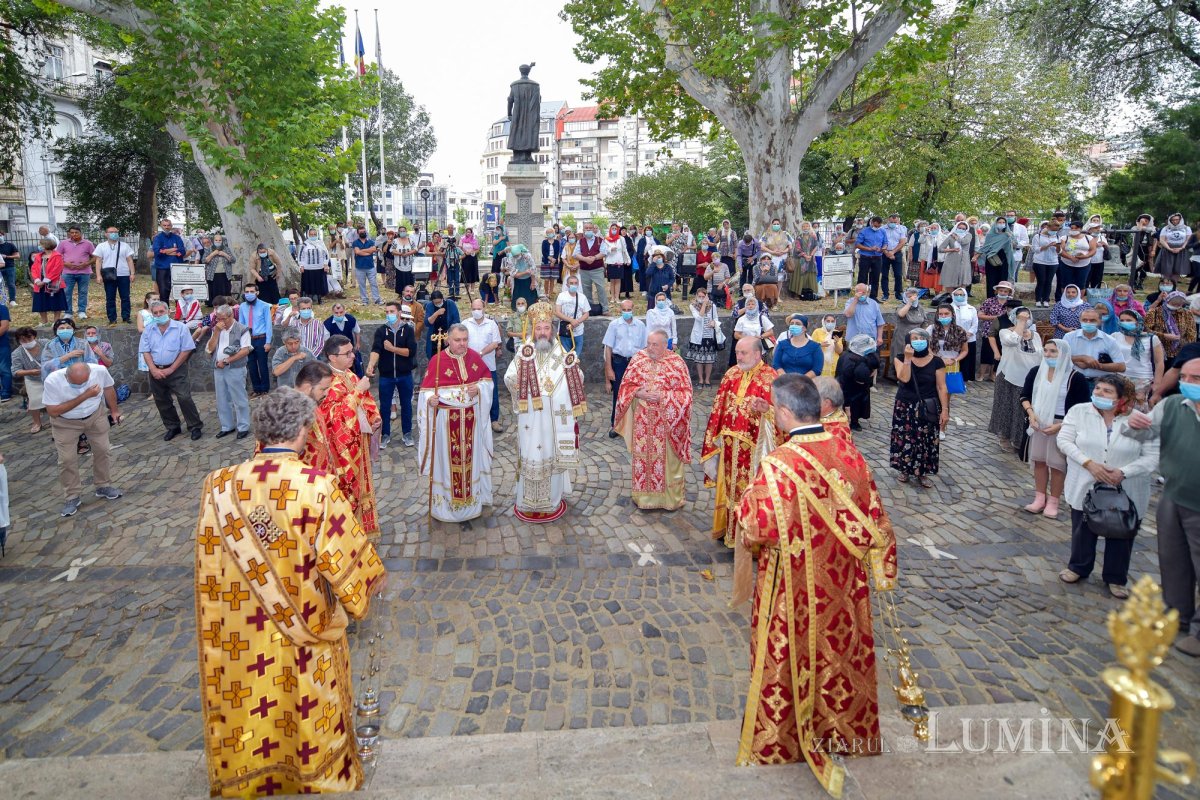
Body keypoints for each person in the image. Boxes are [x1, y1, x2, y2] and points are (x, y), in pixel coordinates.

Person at [194, 387, 385, 797]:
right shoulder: (317, 487)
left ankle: (248, 777)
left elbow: (210, 561)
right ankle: (317, 775)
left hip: (239, 631)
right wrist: (367, 588)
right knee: (303, 704)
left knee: (253, 706)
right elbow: (349, 563)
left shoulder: (218, 486)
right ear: (303, 431)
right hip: (307, 628)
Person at [734, 373, 896, 794]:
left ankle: (785, 738)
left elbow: (756, 527)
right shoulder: (847, 450)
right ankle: (846, 731)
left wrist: (742, 505)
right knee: (841, 656)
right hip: (844, 584)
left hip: (795, 587)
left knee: (794, 655)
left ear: (785, 413)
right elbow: (875, 517)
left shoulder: (779, 465)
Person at [1056, 376, 1158, 599]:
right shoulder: (1080, 412)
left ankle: (1115, 577)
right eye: (1098, 389)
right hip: (1085, 481)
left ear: (1123, 398)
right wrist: (1088, 463)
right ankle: (1078, 567)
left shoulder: (1138, 421)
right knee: (1082, 527)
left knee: (1121, 532)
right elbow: (1064, 441)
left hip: (1127, 488)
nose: (1099, 393)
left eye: (1107, 391)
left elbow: (1151, 458)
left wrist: (1123, 472)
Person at [1125, 355, 1200, 656]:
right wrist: (1133, 424)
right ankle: (1176, 615)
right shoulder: (1173, 406)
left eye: (1196, 379)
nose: (1188, 384)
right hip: (1174, 496)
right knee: (1174, 560)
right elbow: (1140, 435)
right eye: (1185, 377)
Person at [504, 314, 588, 521]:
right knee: (529, 454)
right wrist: (519, 385)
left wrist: (575, 374)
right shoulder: (525, 352)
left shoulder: (561, 352)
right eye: (538, 328)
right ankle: (526, 502)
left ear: (552, 330)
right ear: (533, 330)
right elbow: (508, 376)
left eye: (546, 328)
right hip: (529, 418)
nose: (542, 332)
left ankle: (552, 501)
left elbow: (578, 376)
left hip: (552, 420)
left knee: (550, 454)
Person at [701, 337, 780, 546]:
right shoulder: (731, 374)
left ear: (757, 353)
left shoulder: (770, 378)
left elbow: (782, 417)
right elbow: (719, 407)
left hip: (754, 450)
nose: (739, 357)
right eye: (737, 352)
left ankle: (750, 539)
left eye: (743, 353)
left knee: (750, 492)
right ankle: (729, 532)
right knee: (729, 489)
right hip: (729, 446)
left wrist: (767, 410)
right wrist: (713, 437)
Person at [418, 324, 495, 522]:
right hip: (447, 423)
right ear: (448, 340)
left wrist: (478, 389)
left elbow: (488, 382)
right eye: (457, 340)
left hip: (471, 421)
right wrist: (430, 401)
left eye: (465, 340)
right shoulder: (437, 360)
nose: (462, 344)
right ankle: (447, 506)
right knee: (446, 462)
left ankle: (471, 503)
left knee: (472, 460)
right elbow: (425, 393)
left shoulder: (475, 358)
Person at [613, 330, 694, 510]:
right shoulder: (638, 359)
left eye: (655, 344)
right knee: (643, 459)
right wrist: (637, 393)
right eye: (648, 343)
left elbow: (686, 395)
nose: (650, 348)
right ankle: (643, 498)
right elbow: (625, 387)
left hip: (666, 425)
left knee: (666, 462)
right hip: (643, 422)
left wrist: (663, 397)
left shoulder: (677, 363)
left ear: (666, 345)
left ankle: (669, 499)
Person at [316, 335, 382, 535]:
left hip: (358, 442)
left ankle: (364, 526)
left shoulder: (351, 375)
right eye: (347, 353)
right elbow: (332, 417)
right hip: (340, 450)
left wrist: (374, 417)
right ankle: (348, 532)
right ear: (332, 357)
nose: (353, 356)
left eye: (352, 351)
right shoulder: (326, 382)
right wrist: (357, 393)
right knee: (347, 488)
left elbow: (366, 400)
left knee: (362, 484)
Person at [1020, 339, 1091, 518]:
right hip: (1039, 421)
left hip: (1062, 423)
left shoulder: (1075, 378)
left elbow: (1081, 408)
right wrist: (1031, 413)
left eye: (1053, 352)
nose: (1048, 355)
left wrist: (1061, 426)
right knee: (1040, 461)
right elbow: (1025, 396)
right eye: (1046, 351)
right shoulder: (1037, 372)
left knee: (1057, 464)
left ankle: (1054, 500)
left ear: (1063, 354)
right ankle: (1039, 496)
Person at [43, 361, 123, 517]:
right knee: (67, 459)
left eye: (83, 383)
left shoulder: (99, 371)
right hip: (65, 422)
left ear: (89, 374)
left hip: (95, 415)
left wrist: (114, 411)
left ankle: (103, 485)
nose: (79, 386)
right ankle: (72, 496)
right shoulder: (52, 380)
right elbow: (52, 411)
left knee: (103, 449)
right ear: (66, 376)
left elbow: (108, 388)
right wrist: (85, 395)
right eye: (75, 384)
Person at [890, 328, 948, 487]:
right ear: (908, 341)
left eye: (922, 338)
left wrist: (945, 410)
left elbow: (942, 387)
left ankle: (922, 472)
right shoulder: (900, 358)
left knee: (925, 440)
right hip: (905, 406)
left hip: (927, 406)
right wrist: (908, 359)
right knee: (905, 437)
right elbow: (904, 378)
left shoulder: (937, 361)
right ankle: (904, 469)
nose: (918, 340)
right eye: (914, 338)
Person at [140, 299, 203, 441]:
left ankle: (195, 426)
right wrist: (153, 369)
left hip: (177, 369)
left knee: (184, 397)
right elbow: (145, 351)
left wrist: (172, 368)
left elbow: (186, 350)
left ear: (168, 311)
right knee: (161, 400)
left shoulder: (180, 327)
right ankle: (172, 426)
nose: (159, 314)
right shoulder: (149, 329)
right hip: (156, 369)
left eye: (161, 311)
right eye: (155, 313)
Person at [989, 306, 1042, 453]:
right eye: (1022, 318)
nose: (1025, 320)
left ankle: (1020, 439)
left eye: (1027, 317)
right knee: (1006, 408)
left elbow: (1040, 354)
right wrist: (1020, 324)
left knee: (1023, 410)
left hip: (1028, 377)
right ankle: (1004, 436)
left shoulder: (1035, 335)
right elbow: (1013, 341)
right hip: (1009, 376)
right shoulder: (1005, 332)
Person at [366, 301, 418, 449]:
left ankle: (407, 433)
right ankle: (385, 434)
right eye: (387, 312)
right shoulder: (381, 331)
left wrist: (392, 348)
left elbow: (410, 352)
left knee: (406, 406)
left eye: (392, 311)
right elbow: (376, 349)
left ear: (399, 313)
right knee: (385, 407)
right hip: (386, 376)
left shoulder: (407, 330)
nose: (389, 314)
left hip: (404, 375)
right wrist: (371, 364)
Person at [602, 299, 648, 437]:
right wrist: (609, 369)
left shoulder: (640, 325)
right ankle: (616, 425)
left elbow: (645, 347)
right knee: (619, 393)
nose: (627, 312)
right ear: (620, 310)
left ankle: (635, 425)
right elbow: (608, 348)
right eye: (624, 310)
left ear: (633, 309)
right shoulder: (614, 325)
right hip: (619, 362)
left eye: (629, 310)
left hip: (635, 363)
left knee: (636, 393)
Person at [466, 298, 505, 432]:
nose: (476, 311)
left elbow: (495, 343)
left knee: (491, 391)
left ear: (484, 308)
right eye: (474, 309)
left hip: (488, 365)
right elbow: (461, 341)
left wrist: (481, 353)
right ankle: (473, 418)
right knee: (470, 391)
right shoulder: (465, 323)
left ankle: (494, 420)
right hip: (469, 366)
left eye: (479, 308)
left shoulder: (491, 324)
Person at [1063, 307, 1127, 388]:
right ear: (1080, 320)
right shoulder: (1069, 337)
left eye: (1092, 320)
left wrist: (1094, 365)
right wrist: (1082, 358)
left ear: (1100, 321)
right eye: (1085, 320)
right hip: (1074, 382)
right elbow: (1060, 358)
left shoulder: (1109, 340)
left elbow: (1121, 367)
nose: (1088, 323)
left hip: (1100, 383)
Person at [1114, 310, 1163, 408]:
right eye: (1122, 320)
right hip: (1120, 376)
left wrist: (1157, 383)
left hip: (1143, 378)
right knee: (1120, 406)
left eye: (1129, 320)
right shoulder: (1115, 336)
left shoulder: (1151, 338)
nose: (1125, 323)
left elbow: (1159, 362)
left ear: (1138, 321)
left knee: (1139, 406)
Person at [236, 283, 274, 397]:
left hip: (261, 339)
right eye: (247, 292)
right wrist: (242, 341)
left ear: (257, 293)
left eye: (252, 292)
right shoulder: (242, 306)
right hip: (248, 339)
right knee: (251, 366)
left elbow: (268, 325)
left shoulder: (264, 306)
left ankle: (264, 389)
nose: (249, 294)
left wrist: (268, 342)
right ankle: (256, 389)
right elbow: (241, 324)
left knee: (262, 365)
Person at [836, 333, 879, 432]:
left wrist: (874, 370)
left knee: (858, 402)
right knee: (850, 402)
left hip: (857, 388)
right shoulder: (850, 360)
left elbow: (874, 362)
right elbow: (844, 383)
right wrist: (847, 407)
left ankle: (854, 421)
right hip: (847, 385)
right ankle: (848, 420)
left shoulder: (862, 356)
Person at [883, 287, 928, 381]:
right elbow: (901, 314)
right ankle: (899, 375)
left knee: (917, 355)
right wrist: (909, 303)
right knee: (901, 355)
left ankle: (915, 376)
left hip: (917, 337)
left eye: (914, 296)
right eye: (909, 296)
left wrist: (923, 334)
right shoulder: (901, 306)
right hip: (902, 336)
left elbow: (925, 321)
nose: (912, 298)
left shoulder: (920, 308)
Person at [94, 226, 135, 324]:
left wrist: (132, 273)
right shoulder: (101, 246)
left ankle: (126, 317)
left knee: (125, 297)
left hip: (123, 274)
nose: (114, 233)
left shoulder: (125, 245)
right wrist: (98, 275)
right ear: (106, 234)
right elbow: (98, 261)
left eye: (116, 232)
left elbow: (129, 260)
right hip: (109, 275)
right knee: (110, 297)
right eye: (111, 232)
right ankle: (112, 318)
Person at [55, 225, 96, 319]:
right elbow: (57, 257)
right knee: (67, 292)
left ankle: (82, 311)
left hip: (84, 272)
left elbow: (95, 257)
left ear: (81, 233)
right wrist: (65, 263)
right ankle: (68, 312)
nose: (74, 234)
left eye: (76, 232)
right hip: (67, 272)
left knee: (83, 292)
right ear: (69, 233)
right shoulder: (63, 243)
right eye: (72, 232)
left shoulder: (88, 243)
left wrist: (86, 263)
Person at [1145, 290, 1196, 364]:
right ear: (1167, 300)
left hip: (1179, 353)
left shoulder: (1187, 314)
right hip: (1158, 350)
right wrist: (1163, 335)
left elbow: (1192, 333)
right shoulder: (1155, 312)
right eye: (1173, 304)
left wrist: (1184, 345)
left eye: (1178, 305)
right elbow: (1146, 330)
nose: (1175, 307)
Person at [976, 281, 1013, 382]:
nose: (1003, 292)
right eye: (1001, 290)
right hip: (989, 331)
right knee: (986, 353)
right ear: (997, 291)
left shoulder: (1011, 303)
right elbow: (980, 315)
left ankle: (993, 374)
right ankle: (981, 374)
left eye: (1006, 291)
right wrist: (995, 317)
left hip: (1005, 332)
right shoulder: (989, 301)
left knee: (999, 354)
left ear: (1009, 292)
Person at [12, 328, 48, 432]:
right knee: (34, 401)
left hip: (49, 376)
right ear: (19, 341)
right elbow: (15, 371)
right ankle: (37, 422)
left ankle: (57, 420)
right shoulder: (17, 353)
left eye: (29, 338)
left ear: (34, 336)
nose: (27, 342)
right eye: (23, 340)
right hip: (32, 379)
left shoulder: (45, 343)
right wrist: (30, 372)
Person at [686, 288, 724, 386]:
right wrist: (704, 304)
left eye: (703, 296)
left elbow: (716, 318)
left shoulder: (712, 305)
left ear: (706, 296)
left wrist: (714, 322)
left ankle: (707, 379)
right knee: (699, 359)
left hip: (710, 336)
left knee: (709, 360)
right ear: (696, 296)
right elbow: (699, 317)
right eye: (700, 296)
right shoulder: (693, 305)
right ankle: (700, 379)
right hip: (698, 336)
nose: (702, 298)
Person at [30, 238, 67, 327]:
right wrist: (37, 280)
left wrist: (45, 281)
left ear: (46, 245)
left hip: (53, 282)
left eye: (41, 244)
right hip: (39, 283)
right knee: (41, 302)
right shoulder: (38, 256)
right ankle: (44, 322)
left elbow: (56, 270)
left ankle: (56, 321)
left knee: (56, 302)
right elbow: (34, 268)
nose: (40, 246)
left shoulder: (57, 256)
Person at [1056, 221, 1095, 300]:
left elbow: (1093, 250)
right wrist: (1070, 257)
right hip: (1066, 264)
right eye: (1072, 228)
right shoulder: (1065, 238)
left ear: (1080, 229)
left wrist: (1085, 256)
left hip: (1084, 264)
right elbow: (1061, 250)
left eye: (1076, 228)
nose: (1073, 230)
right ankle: (1065, 301)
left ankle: (1078, 301)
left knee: (1081, 284)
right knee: (1065, 283)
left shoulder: (1089, 238)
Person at [979, 216, 1016, 299]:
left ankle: (1002, 298)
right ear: (995, 223)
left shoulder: (1008, 234)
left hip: (1004, 258)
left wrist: (1010, 239)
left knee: (1003, 279)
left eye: (1003, 223)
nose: (1001, 224)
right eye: (1000, 222)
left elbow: (1014, 245)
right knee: (991, 279)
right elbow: (986, 247)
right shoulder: (990, 235)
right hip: (992, 259)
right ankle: (991, 299)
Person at [323, 302, 363, 377]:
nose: (339, 315)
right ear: (332, 312)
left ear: (344, 311)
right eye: (336, 313)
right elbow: (327, 341)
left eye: (341, 312)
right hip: (337, 352)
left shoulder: (351, 319)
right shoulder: (327, 323)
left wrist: (358, 343)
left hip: (350, 349)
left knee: (357, 366)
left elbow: (357, 331)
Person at [151, 219, 186, 301]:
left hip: (176, 268)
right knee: (163, 291)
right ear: (161, 226)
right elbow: (157, 252)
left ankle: (179, 311)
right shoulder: (157, 238)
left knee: (179, 292)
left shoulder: (177, 238)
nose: (166, 227)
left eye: (168, 225)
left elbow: (182, 251)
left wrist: (165, 251)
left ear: (171, 226)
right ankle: (165, 311)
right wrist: (172, 250)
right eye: (164, 225)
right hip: (162, 268)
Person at [554, 274, 591, 355]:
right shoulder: (561, 296)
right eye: (571, 283)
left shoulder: (582, 297)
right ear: (567, 285)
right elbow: (557, 312)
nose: (573, 285)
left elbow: (586, 313)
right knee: (565, 356)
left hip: (578, 332)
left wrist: (577, 322)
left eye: (575, 283)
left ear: (578, 284)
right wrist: (571, 320)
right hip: (564, 331)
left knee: (576, 358)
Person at [854, 215, 887, 298]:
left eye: (879, 226)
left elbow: (886, 243)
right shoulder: (864, 231)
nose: (877, 227)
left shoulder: (882, 231)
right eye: (875, 226)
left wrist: (882, 248)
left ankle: (873, 297)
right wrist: (869, 249)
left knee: (875, 278)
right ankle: (860, 296)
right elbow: (857, 244)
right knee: (863, 277)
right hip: (866, 257)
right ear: (871, 223)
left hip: (878, 257)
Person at [296, 227, 330, 304]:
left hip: (319, 267)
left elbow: (326, 254)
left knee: (319, 284)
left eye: (314, 234)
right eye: (311, 234)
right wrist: (301, 265)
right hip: (308, 268)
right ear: (308, 235)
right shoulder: (305, 244)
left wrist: (325, 264)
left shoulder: (321, 243)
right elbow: (300, 256)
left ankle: (319, 299)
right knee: (308, 284)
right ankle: (308, 300)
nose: (313, 236)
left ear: (317, 235)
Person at [1029, 221, 1060, 308]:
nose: (1054, 231)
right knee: (1041, 281)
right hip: (1039, 261)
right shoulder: (1038, 236)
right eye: (1053, 229)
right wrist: (1047, 246)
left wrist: (1057, 246)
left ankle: (1046, 299)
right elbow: (1035, 249)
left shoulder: (1057, 236)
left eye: (1056, 230)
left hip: (1053, 262)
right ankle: (1038, 299)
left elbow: (1059, 251)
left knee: (1048, 281)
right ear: (1048, 228)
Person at [814, 374, 852, 442]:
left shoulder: (831, 432)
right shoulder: (835, 414)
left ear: (826, 403)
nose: (806, 400)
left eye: (811, 396)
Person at [350, 226, 381, 305]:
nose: (363, 233)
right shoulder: (355, 242)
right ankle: (364, 300)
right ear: (358, 233)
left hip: (370, 267)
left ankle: (377, 299)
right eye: (361, 232)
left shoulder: (371, 241)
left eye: (364, 231)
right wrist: (368, 252)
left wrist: (362, 251)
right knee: (362, 285)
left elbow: (373, 250)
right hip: (359, 267)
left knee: (374, 284)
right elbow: (357, 252)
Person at [423, 290, 460, 358]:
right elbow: (427, 323)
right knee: (434, 358)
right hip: (434, 337)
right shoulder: (430, 305)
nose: (438, 304)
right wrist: (436, 313)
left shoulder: (450, 304)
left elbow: (456, 321)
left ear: (443, 298)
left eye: (439, 302)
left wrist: (448, 335)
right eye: (435, 303)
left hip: (448, 335)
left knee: (448, 358)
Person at [1156, 213, 1192, 282]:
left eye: (1176, 220)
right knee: (1166, 269)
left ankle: (1174, 287)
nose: (1175, 221)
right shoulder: (1166, 228)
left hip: (1181, 250)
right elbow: (1162, 240)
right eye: (1172, 220)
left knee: (1177, 270)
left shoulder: (1187, 228)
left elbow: (1188, 240)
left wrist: (1182, 248)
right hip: (1167, 250)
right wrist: (1169, 248)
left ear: (1180, 220)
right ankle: (1165, 287)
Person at [203, 233, 236, 306]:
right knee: (213, 290)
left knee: (225, 290)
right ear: (213, 241)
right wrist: (213, 254)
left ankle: (225, 303)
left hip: (225, 274)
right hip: (212, 275)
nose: (218, 241)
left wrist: (225, 254)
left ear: (222, 241)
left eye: (219, 240)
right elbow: (204, 261)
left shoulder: (226, 249)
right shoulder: (209, 249)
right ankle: (213, 304)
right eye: (216, 240)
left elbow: (233, 260)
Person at [939, 220, 973, 290]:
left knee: (963, 279)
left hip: (964, 260)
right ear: (956, 227)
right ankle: (950, 297)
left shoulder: (968, 235)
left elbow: (964, 242)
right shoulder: (951, 236)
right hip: (951, 260)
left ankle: (961, 296)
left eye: (963, 229)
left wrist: (956, 237)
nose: (961, 230)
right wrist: (952, 250)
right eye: (960, 228)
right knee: (949, 279)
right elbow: (941, 249)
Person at [880, 213, 908, 300]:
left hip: (897, 253)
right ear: (888, 220)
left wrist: (893, 252)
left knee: (898, 275)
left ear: (898, 221)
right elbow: (879, 241)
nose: (893, 223)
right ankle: (885, 293)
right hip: (884, 253)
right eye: (891, 221)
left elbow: (902, 242)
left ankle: (898, 293)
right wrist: (887, 252)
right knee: (884, 275)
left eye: (895, 222)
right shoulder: (882, 229)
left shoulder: (901, 229)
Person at [603, 223, 630, 308]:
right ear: (610, 229)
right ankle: (612, 297)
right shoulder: (606, 239)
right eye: (612, 228)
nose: (614, 230)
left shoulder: (621, 238)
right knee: (612, 280)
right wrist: (610, 249)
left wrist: (628, 259)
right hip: (610, 261)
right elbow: (604, 250)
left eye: (615, 228)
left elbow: (625, 250)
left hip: (619, 261)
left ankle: (617, 297)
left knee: (618, 280)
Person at [507, 243, 539, 310]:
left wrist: (533, 282)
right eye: (515, 256)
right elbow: (514, 274)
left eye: (517, 255)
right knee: (517, 297)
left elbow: (533, 269)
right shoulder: (510, 259)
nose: (516, 257)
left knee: (530, 300)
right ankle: (518, 308)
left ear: (521, 252)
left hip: (528, 279)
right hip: (518, 281)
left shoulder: (527, 256)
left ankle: (531, 308)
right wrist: (525, 272)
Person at [811, 313, 843, 378]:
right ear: (824, 322)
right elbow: (810, 347)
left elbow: (840, 352)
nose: (830, 323)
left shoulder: (837, 333)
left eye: (832, 321)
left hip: (833, 365)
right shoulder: (817, 332)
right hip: (820, 363)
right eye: (828, 321)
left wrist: (836, 343)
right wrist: (820, 344)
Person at [917, 222, 944, 293]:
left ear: (938, 229)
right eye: (931, 228)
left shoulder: (943, 237)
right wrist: (925, 233)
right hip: (927, 259)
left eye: (935, 228)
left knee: (937, 276)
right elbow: (920, 241)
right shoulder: (927, 236)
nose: (933, 229)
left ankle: (937, 292)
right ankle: (926, 291)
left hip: (938, 260)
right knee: (927, 276)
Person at [0, 231, 18, 303]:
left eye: (0, 235)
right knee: (1, 285)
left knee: (11, 283)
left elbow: (17, 256)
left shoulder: (10, 245)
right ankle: (3, 299)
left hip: (9, 267)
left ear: (3, 236)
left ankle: (12, 300)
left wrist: (7, 256)